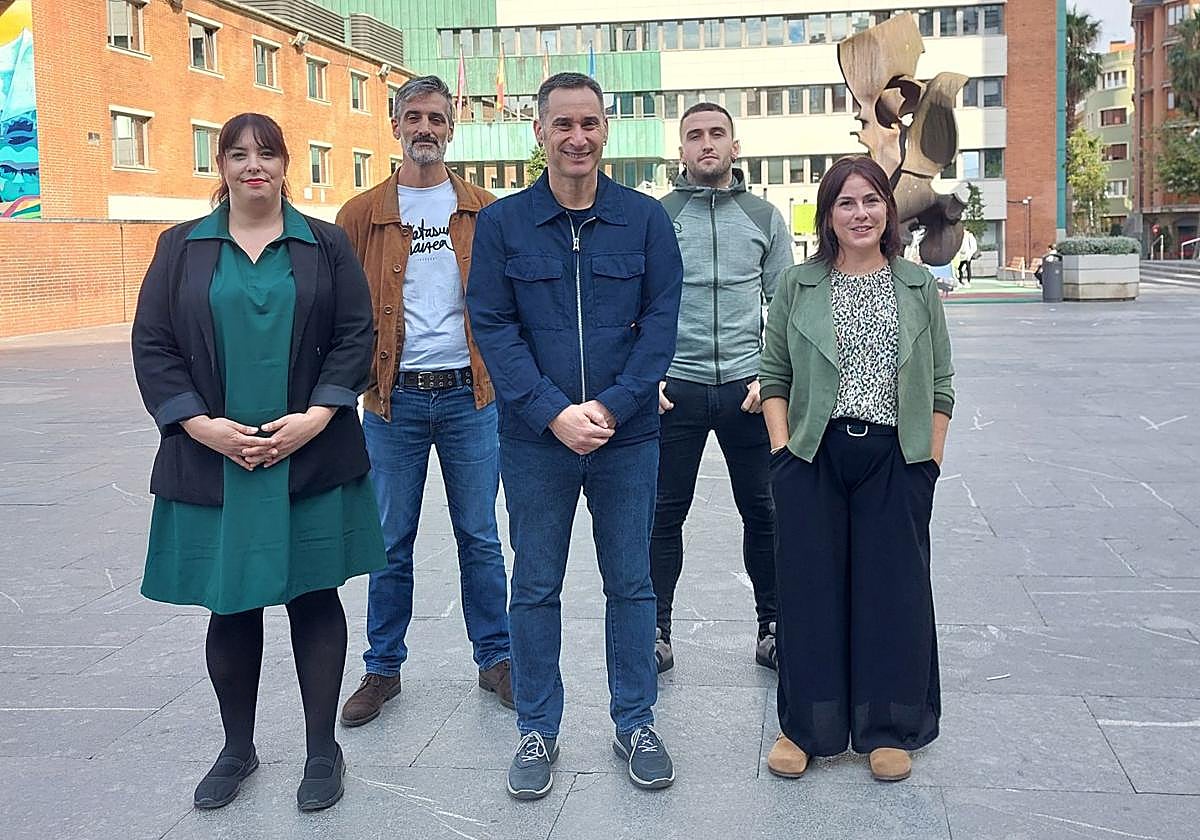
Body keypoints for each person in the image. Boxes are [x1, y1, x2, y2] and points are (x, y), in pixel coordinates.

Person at [131, 113, 383, 812]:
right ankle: (237, 749)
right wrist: (202, 428)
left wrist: (316, 417)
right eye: (238, 154)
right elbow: (151, 343)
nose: (253, 166)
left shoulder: (325, 245)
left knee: (313, 595)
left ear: (284, 164)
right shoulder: (179, 248)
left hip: (310, 451)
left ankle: (321, 752)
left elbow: (355, 334)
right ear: (219, 164)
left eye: (266, 154)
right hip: (215, 457)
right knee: (230, 601)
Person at [466, 72, 683, 800]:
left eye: (589, 122)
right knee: (533, 586)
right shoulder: (501, 225)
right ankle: (537, 727)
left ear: (606, 130)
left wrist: (614, 410)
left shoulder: (646, 221)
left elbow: (660, 327)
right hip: (535, 440)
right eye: (563, 124)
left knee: (630, 584)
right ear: (539, 132)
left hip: (628, 439)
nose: (577, 137)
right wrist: (553, 412)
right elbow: (493, 326)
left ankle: (635, 720)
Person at [758, 155, 954, 783]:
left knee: (891, 594)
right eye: (846, 202)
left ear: (888, 212)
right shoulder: (798, 284)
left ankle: (888, 728)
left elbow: (942, 384)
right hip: (815, 453)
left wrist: (929, 461)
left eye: (871, 200)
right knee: (809, 592)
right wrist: (783, 451)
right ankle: (805, 729)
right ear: (828, 214)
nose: (860, 213)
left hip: (897, 458)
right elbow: (774, 376)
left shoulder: (919, 284)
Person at [335, 75, 513, 728]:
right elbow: (340, 309)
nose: (426, 129)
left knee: (480, 536)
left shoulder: (484, 211)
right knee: (389, 541)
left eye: (437, 118)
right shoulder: (362, 214)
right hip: (392, 403)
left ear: (451, 128)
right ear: (394, 126)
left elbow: (507, 307)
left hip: (472, 398)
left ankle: (496, 658)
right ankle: (383, 667)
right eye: (414, 117)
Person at [652, 102, 793, 674]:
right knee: (662, 514)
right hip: (675, 389)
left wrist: (771, 376)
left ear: (735, 145)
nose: (706, 143)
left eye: (717, 134)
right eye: (694, 136)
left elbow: (786, 305)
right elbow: (640, 305)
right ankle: (655, 630)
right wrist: (647, 375)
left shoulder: (764, 217)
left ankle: (775, 626)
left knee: (765, 512)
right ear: (681, 149)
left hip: (747, 391)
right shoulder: (658, 216)